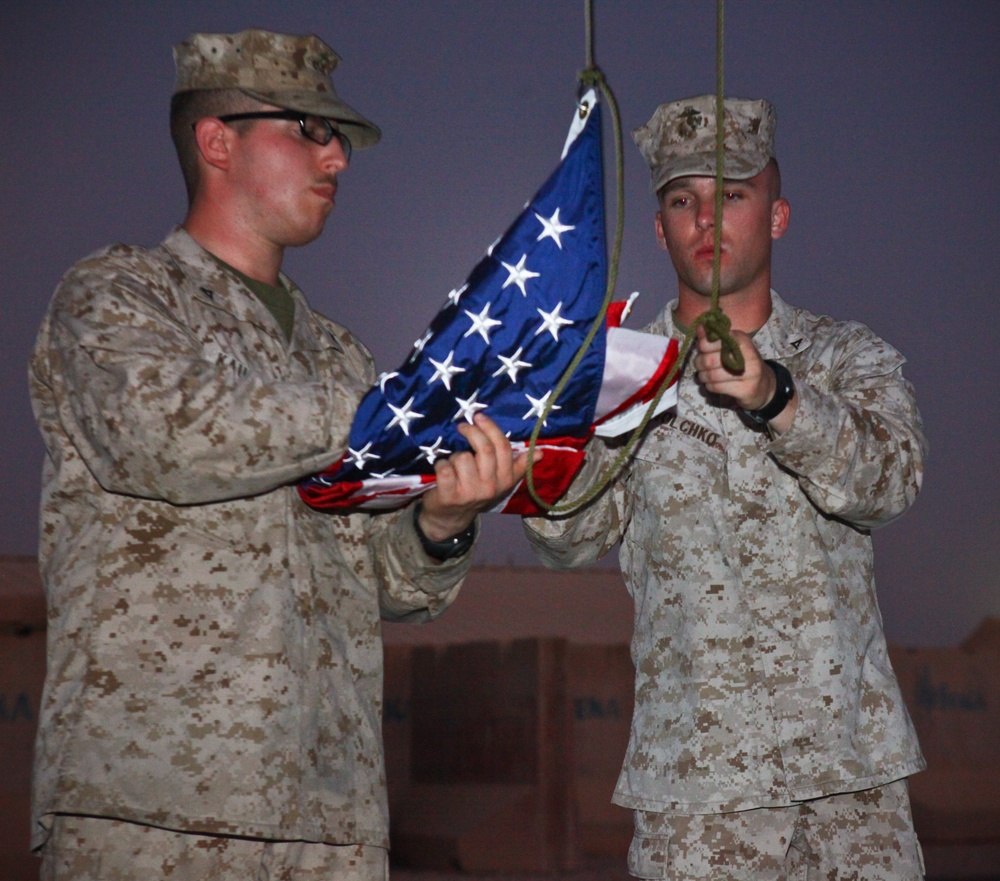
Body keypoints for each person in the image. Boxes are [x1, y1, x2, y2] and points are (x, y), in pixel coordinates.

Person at [29, 28, 526, 881]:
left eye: (336, 138)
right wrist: (394, 408)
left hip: (330, 819)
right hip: (157, 815)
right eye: (307, 129)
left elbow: (384, 582)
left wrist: (442, 522)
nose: (336, 157)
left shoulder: (337, 354)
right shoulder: (118, 294)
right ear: (216, 140)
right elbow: (164, 437)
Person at [523, 94, 928, 879]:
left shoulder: (843, 357)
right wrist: (544, 457)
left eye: (731, 194)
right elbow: (567, 536)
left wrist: (778, 396)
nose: (706, 219)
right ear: (660, 228)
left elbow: (891, 479)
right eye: (683, 200)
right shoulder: (621, 377)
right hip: (698, 802)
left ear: (776, 215)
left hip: (852, 791)